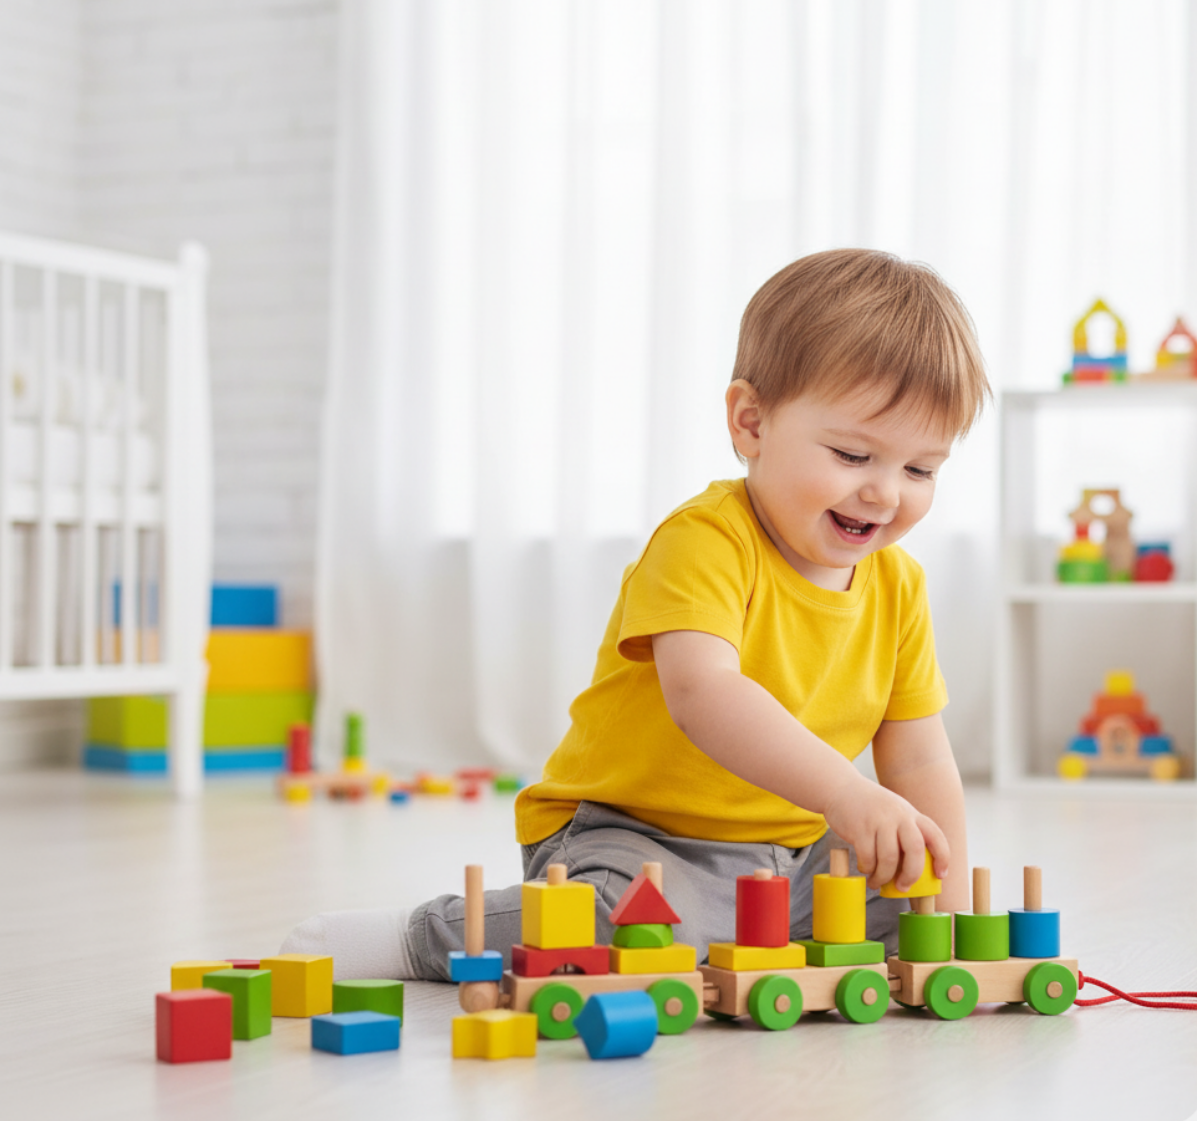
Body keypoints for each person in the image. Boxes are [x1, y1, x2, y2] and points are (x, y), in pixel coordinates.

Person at [282, 248, 991, 981]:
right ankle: (417, 937)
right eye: (852, 454)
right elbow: (704, 695)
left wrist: (951, 915)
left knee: (904, 902)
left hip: (788, 856)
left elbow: (919, 756)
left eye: (920, 470)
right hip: (637, 837)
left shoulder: (898, 584)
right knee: (627, 928)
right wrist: (848, 793)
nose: (884, 493)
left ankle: (794, 922)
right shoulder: (706, 540)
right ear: (750, 424)